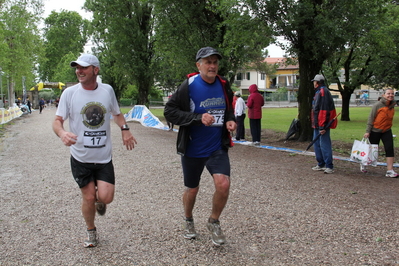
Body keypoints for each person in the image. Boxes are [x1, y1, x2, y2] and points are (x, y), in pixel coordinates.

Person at [52, 54, 137, 248]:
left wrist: (125, 130)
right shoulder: (69, 93)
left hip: (103, 157)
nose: (79, 71)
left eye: (84, 68)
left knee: (106, 197)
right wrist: (62, 133)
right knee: (88, 197)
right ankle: (91, 231)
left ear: (95, 70)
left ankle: (99, 200)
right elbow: (57, 121)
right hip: (80, 156)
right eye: (77, 68)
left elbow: (117, 114)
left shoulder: (107, 91)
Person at [164, 46, 236, 246]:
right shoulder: (189, 85)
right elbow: (170, 112)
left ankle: (214, 221)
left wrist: (230, 120)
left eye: (215, 62)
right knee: (192, 189)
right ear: (199, 65)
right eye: (208, 62)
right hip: (193, 147)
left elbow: (228, 108)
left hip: (216, 147)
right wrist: (197, 118)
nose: (212, 66)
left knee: (223, 184)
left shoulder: (223, 83)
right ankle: (188, 219)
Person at [363, 88, 397, 177]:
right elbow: (371, 118)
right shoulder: (377, 105)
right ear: (384, 95)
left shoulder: (392, 105)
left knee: (389, 149)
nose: (390, 95)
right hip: (375, 130)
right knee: (372, 150)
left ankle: (390, 170)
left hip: (387, 130)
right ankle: (364, 164)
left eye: (392, 94)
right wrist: (368, 131)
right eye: (388, 93)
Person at [311, 74, 337, 174]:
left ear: (317, 82)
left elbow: (324, 110)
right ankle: (321, 163)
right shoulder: (318, 92)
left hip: (322, 123)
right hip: (317, 123)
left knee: (324, 144)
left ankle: (329, 165)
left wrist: (323, 126)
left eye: (314, 81)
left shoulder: (323, 92)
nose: (313, 83)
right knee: (317, 144)